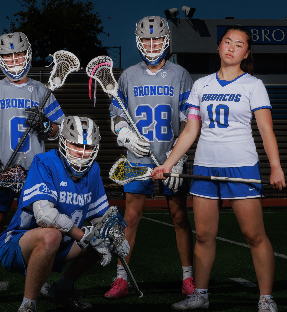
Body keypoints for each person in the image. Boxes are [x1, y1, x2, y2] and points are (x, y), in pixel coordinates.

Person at [152, 25, 285, 312]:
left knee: (254, 235)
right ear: (218, 46)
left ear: (246, 53)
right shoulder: (202, 85)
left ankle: (265, 297)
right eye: (227, 42)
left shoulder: (253, 85)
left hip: (241, 167)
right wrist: (168, 164)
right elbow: (190, 131)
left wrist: (276, 167)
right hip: (205, 167)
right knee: (204, 236)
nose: (231, 48)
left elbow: (265, 129)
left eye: (239, 45)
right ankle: (200, 295)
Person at [0, 116, 129, 312]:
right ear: (63, 142)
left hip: (62, 245)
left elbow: (101, 216)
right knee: (52, 234)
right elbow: (45, 216)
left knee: (103, 237)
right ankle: (28, 304)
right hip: (18, 245)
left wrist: (114, 236)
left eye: (88, 147)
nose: (82, 153)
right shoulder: (45, 161)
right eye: (75, 145)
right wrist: (83, 236)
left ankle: (61, 290)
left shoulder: (92, 170)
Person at [105, 16, 195, 299]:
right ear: (138, 41)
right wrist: (124, 135)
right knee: (130, 217)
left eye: (156, 39)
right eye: (147, 40)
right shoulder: (129, 75)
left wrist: (179, 156)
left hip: (170, 155)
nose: (152, 44)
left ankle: (188, 277)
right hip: (137, 156)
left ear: (166, 40)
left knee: (179, 216)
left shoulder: (180, 74)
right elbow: (116, 114)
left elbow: (188, 120)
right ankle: (121, 278)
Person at [0, 32, 64, 302]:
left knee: (40, 226)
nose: (14, 60)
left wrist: (48, 126)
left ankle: (40, 280)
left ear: (28, 55)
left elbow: (62, 130)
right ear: (1, 59)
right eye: (8, 56)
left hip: (35, 171)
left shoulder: (43, 91)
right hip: (3, 171)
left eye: (18, 54)